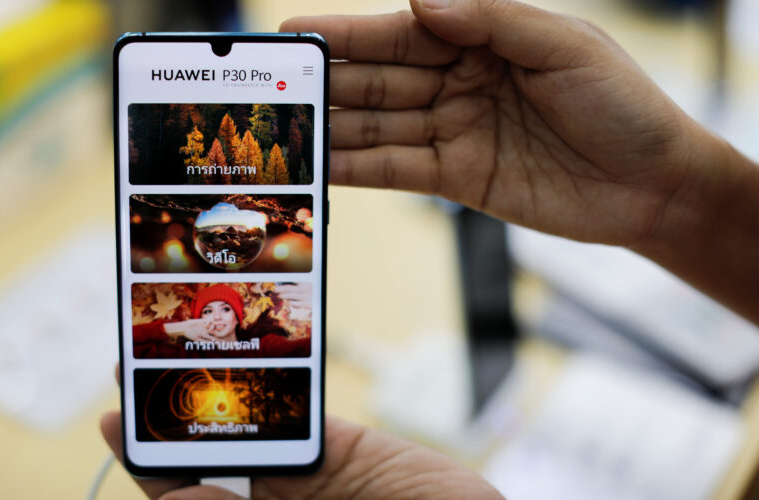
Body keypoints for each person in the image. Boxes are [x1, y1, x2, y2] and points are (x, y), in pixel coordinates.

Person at [102, 0, 759, 497]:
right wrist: (679, 196)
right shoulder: (191, 319)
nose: (220, 316)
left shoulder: (266, 323)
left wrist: (676, 195)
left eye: (225, 308)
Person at [133, 284, 311, 358]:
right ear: (198, 319)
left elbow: (307, 350)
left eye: (225, 309)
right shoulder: (185, 352)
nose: (217, 317)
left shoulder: (261, 346)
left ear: (237, 318)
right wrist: (176, 329)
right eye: (208, 311)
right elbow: (127, 346)